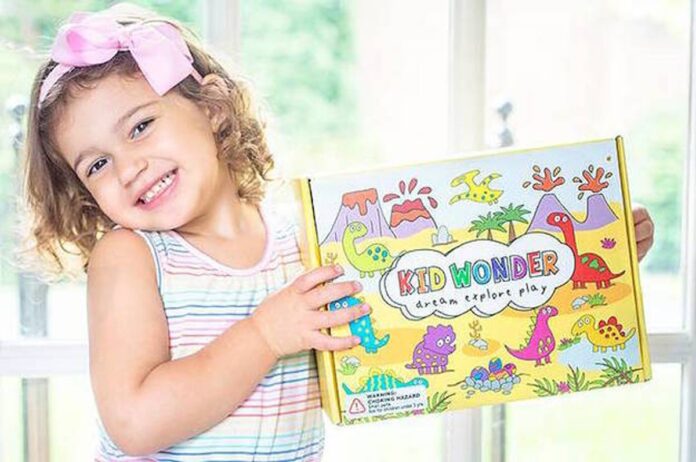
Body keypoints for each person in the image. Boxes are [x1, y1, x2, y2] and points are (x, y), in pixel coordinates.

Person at [20, 3, 655, 461]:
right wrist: (264, 335)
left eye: (140, 127)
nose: (127, 167)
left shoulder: (303, 238)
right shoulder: (132, 256)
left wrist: (587, 258)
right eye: (96, 165)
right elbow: (133, 422)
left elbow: (442, 297)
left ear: (210, 110)